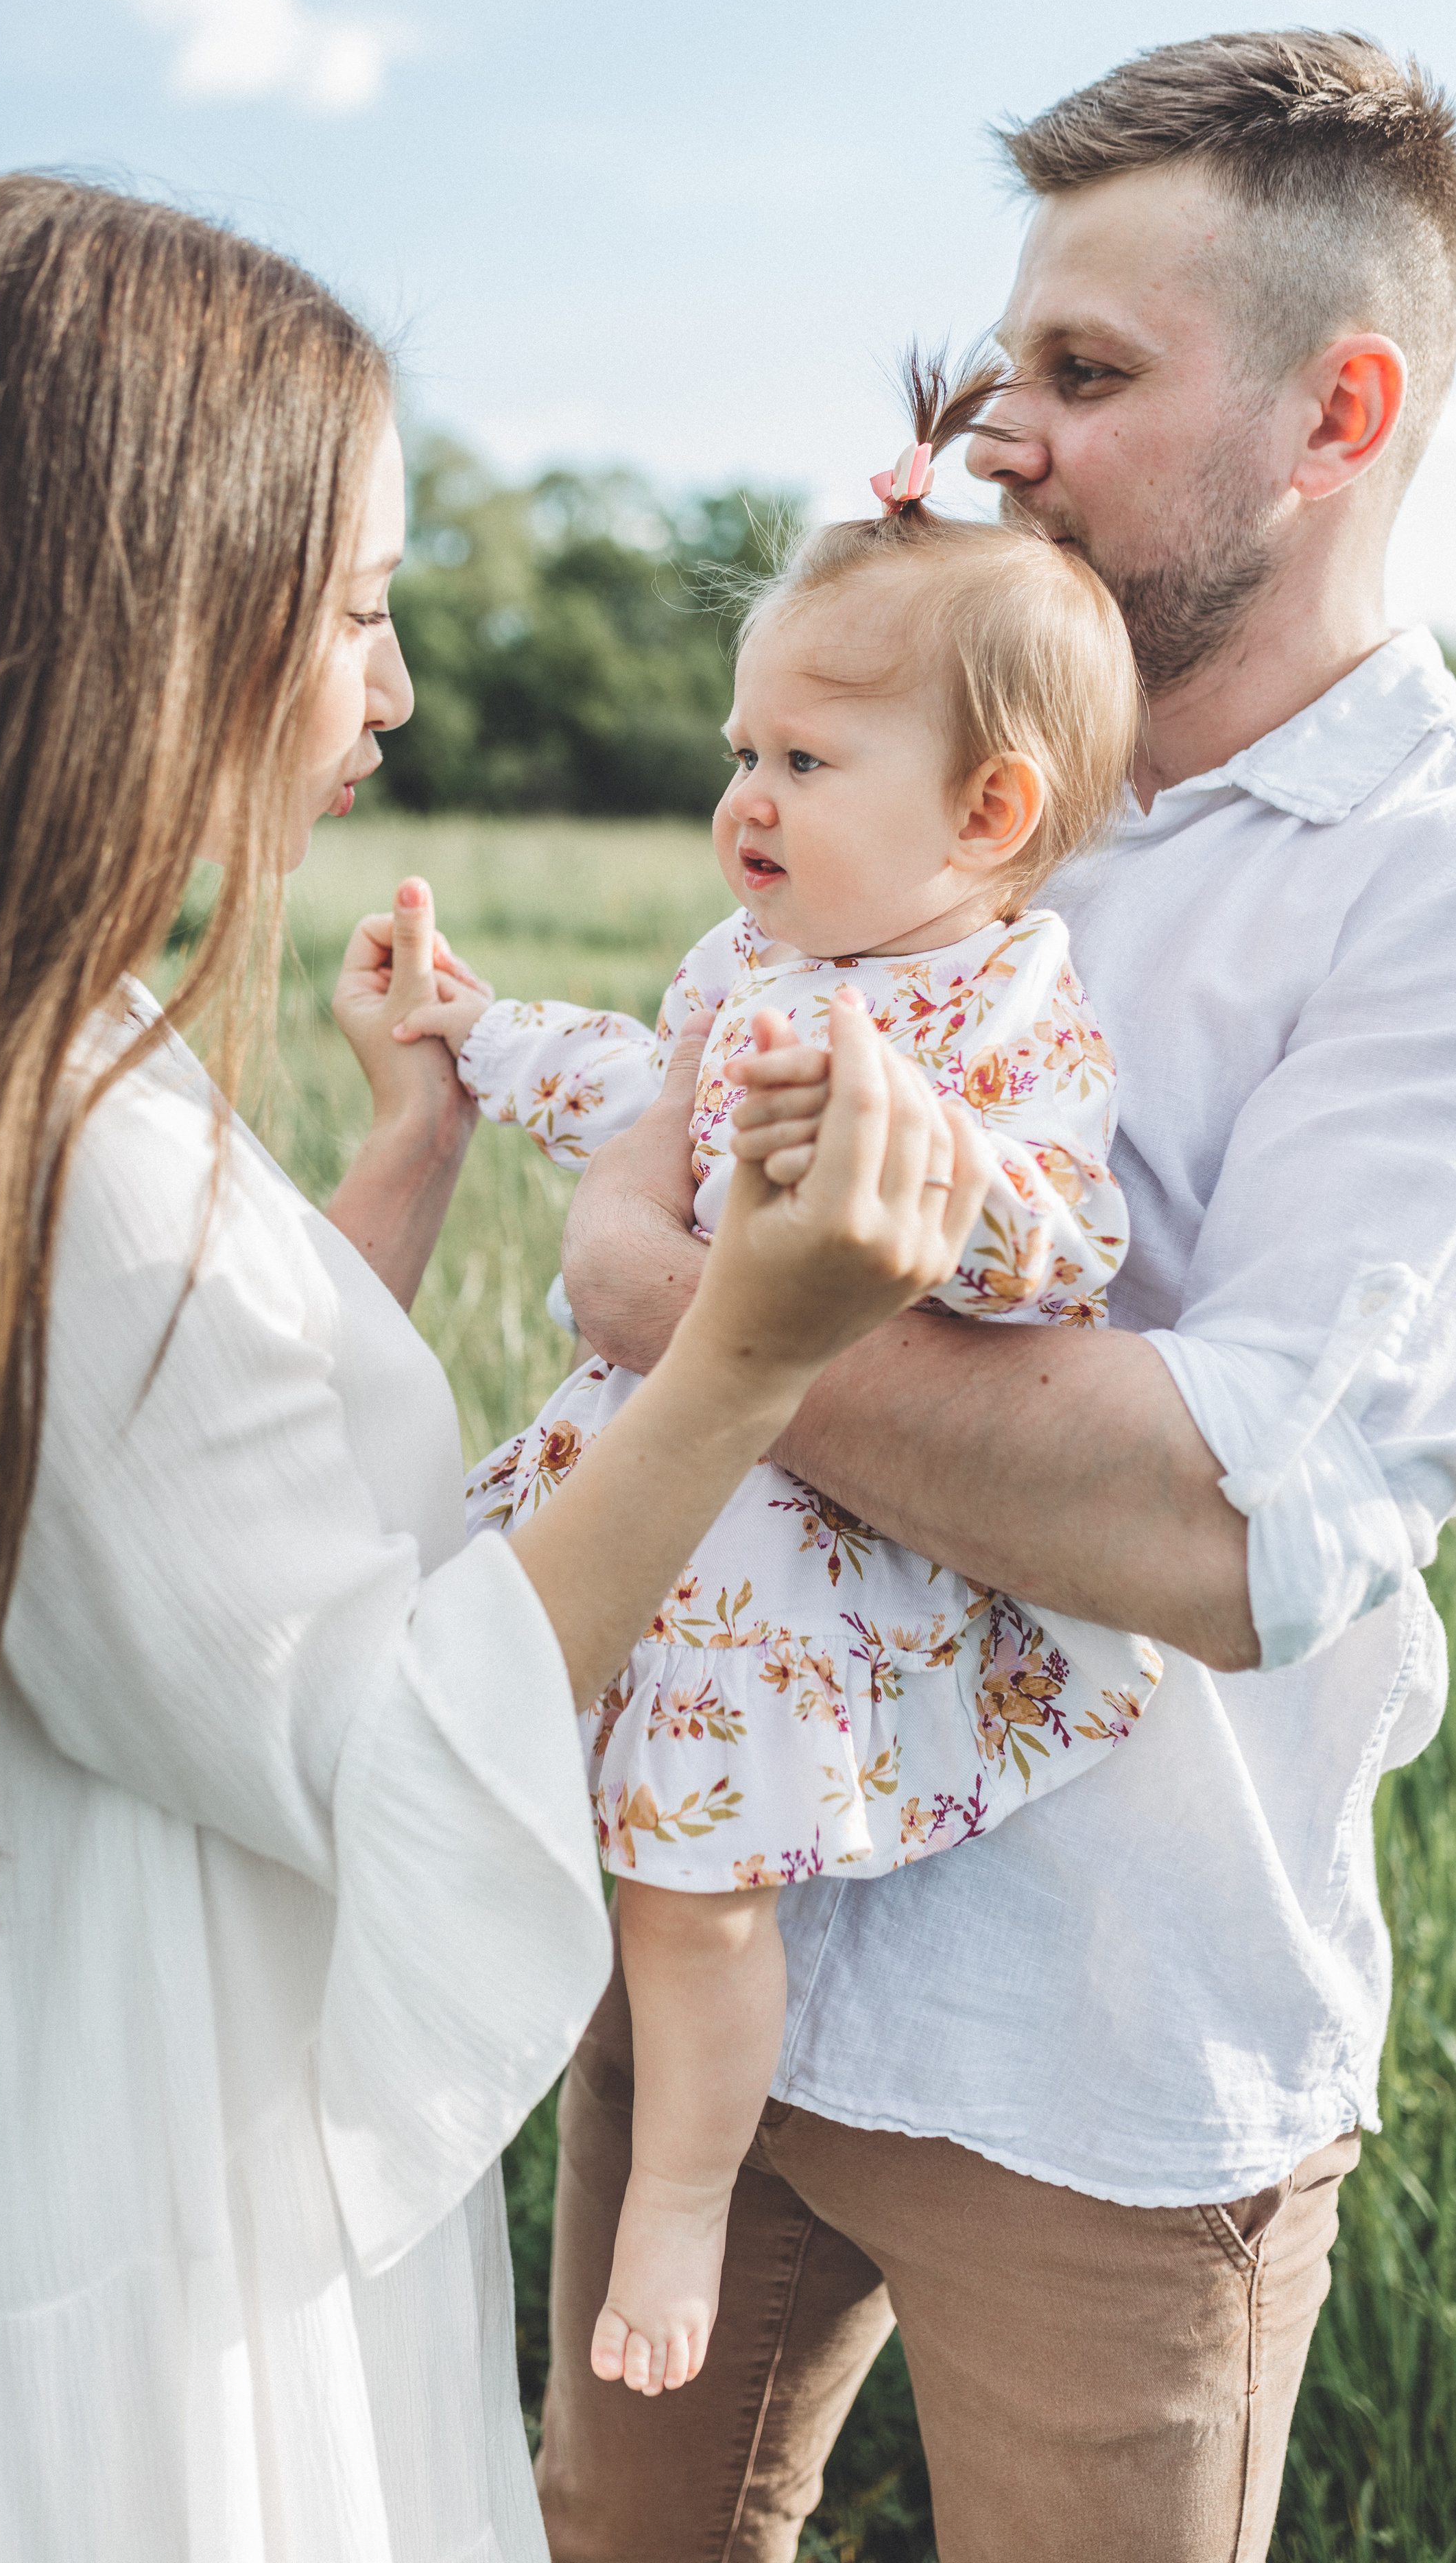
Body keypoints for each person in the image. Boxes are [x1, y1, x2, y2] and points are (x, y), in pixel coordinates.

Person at [0, 176, 986, 2563]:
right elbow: (387, 1752)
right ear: (143, 602)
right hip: (139, 2251)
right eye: (354, 602)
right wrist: (738, 1367)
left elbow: (134, 1522)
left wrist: (402, 1178)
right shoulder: (51, 1134)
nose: (398, 683)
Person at [534, 29, 1456, 2563]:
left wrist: (691, 1310)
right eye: (1009, 362)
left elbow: (1234, 1528)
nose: (1003, 431)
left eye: (1090, 376)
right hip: (707, 1947)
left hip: (1114, 2049)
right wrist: (664, 1252)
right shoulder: (918, 718)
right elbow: (638, 1146)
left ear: (1341, 413)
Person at [394, 351, 1161, 2399]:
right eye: (746, 751)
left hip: (810, 1547)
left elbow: (1068, 1241)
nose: (746, 800)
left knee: (690, 1879)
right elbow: (638, 1102)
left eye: (806, 764)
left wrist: (930, 1160)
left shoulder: (1006, 1007)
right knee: (486, 1753)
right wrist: (477, 1034)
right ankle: (479, 2113)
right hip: (663, 1476)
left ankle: (678, 2189)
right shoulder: (746, 972)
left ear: (987, 814)